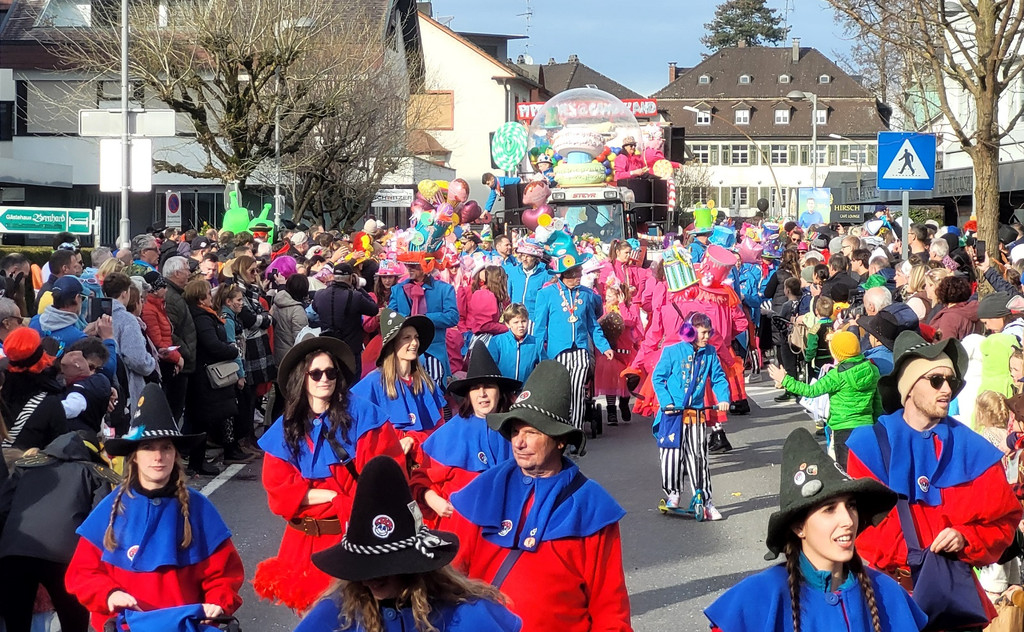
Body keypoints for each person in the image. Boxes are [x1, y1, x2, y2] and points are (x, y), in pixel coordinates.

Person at [845, 331, 1022, 626]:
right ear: (909, 387)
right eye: (936, 380)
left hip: (953, 600)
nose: (947, 391)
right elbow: (860, 524)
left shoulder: (973, 449)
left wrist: (966, 536)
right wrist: (915, 559)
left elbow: (1003, 521)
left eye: (951, 382)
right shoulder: (869, 446)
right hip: (888, 599)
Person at [448, 361, 633, 631]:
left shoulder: (590, 504)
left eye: (531, 432)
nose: (518, 443)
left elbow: (609, 607)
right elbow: (450, 578)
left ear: (559, 440)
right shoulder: (484, 490)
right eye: (514, 431)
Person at [254, 334, 426, 613]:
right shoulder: (285, 428)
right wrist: (335, 496)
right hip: (304, 547)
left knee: (363, 619)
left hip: (355, 539)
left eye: (331, 372)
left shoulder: (366, 416)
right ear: (303, 378)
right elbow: (279, 494)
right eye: (316, 373)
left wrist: (317, 498)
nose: (325, 379)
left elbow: (386, 480)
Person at [704, 428, 926, 632]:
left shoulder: (887, 593)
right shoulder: (759, 597)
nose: (848, 520)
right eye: (829, 509)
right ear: (799, 526)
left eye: (851, 506)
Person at [65, 384, 245, 632]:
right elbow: (82, 573)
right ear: (134, 456)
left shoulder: (199, 508)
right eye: (148, 448)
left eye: (166, 448)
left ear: (175, 455)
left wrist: (218, 602)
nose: (158, 456)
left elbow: (224, 574)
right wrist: (109, 594)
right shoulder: (111, 507)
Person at [293, 456, 521, 632]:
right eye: (362, 567)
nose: (368, 578)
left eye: (382, 567)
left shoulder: (466, 613)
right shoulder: (339, 613)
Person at [0, 431, 119, 632]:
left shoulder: (27, 466)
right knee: (74, 624)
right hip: (65, 557)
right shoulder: (94, 473)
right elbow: (102, 520)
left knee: (16, 625)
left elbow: (3, 506)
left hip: (14, 551)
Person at [421, 344, 519, 529]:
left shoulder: (517, 430)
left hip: (507, 527)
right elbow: (421, 480)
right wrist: (432, 499)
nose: (482, 394)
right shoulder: (448, 433)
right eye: (475, 388)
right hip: (460, 529)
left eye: (488, 387)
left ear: (500, 392)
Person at [651, 312, 730, 518]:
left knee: (699, 458)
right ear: (690, 332)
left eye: (709, 333)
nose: (707, 337)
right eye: (703, 333)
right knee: (671, 456)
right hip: (671, 415)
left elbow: (719, 379)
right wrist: (667, 402)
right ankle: (673, 493)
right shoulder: (671, 352)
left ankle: (705, 501)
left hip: (696, 414)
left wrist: (723, 398)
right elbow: (658, 378)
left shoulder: (710, 353)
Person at [769, 331, 881, 469]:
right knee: (866, 467)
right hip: (867, 427)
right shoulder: (872, 369)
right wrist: (876, 423)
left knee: (845, 469)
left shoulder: (836, 375)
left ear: (836, 354)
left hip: (842, 428)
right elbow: (877, 403)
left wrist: (785, 380)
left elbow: (811, 391)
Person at [533, 245, 613, 432]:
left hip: (580, 351)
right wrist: (536, 353)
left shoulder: (586, 294)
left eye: (579, 272)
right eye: (574, 274)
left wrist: (604, 346)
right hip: (556, 352)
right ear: (563, 274)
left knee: (577, 392)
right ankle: (560, 429)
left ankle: (574, 433)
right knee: (561, 393)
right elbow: (539, 328)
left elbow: (593, 325)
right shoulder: (546, 294)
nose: (578, 277)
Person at [352, 312, 446, 459]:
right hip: (389, 465)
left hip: (425, 465)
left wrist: (413, 439)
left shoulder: (427, 383)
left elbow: (439, 428)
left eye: (416, 337)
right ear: (393, 344)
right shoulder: (372, 383)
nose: (414, 343)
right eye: (407, 338)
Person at [185, 278, 249, 468]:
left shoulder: (206, 315)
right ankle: (198, 462)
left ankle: (201, 459)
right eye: (207, 293)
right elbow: (212, 344)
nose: (211, 295)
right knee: (202, 419)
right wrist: (232, 350)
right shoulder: (202, 318)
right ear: (201, 297)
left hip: (208, 372)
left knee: (207, 418)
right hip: (206, 375)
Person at [390, 253, 459, 386]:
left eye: (414, 266)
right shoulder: (398, 290)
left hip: (433, 353)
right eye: (407, 265)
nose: (409, 269)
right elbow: (391, 318)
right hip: (404, 352)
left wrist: (425, 319)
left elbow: (453, 317)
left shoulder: (444, 289)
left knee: (435, 393)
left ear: (426, 267)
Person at [29, 275, 118, 378]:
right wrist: (108, 338)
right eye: (83, 298)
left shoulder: (35, 321)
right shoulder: (77, 338)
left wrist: (84, 333)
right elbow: (108, 369)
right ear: (77, 298)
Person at [0, 328, 68, 458]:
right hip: (29, 473)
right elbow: (61, 450)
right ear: (41, 356)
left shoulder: (3, 389)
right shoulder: (50, 402)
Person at [103, 272, 158, 411]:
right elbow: (137, 359)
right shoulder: (127, 319)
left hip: (106, 384)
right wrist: (152, 362)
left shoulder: (98, 314)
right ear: (124, 293)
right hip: (127, 387)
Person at [314, 262, 379, 363]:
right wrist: (358, 288)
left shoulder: (319, 295)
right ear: (351, 277)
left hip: (329, 348)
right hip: (351, 350)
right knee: (352, 378)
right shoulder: (355, 297)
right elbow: (374, 309)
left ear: (333, 276)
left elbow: (314, 310)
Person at [162, 256, 197, 424]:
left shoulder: (175, 294)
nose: (189, 273)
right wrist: (185, 352)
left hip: (183, 362)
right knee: (173, 413)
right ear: (176, 273)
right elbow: (169, 332)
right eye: (186, 270)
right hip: (177, 363)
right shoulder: (171, 297)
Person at [487, 303, 541, 383]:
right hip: (503, 390)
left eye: (523, 321)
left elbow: (544, 368)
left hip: (525, 390)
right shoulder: (497, 341)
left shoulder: (536, 343)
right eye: (516, 322)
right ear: (508, 324)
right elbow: (490, 368)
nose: (520, 325)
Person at [504, 239, 549, 325]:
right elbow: (508, 295)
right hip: (514, 318)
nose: (524, 259)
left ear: (535, 258)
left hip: (533, 320)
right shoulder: (513, 272)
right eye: (523, 255)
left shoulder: (545, 275)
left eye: (528, 256)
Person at [272, 273, 311, 366]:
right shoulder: (297, 310)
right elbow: (300, 339)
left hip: (277, 352)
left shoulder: (277, 303)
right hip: (292, 357)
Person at [858, 310, 898, 377]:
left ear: (877, 339)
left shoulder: (870, 362)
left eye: (870, 335)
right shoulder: (898, 356)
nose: (869, 337)